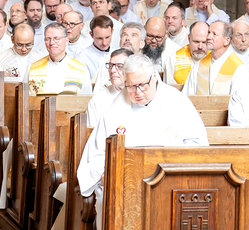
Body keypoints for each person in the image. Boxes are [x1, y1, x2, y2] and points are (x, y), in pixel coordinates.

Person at [77, 54, 208, 230]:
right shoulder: (115, 110)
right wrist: (105, 172)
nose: (138, 92)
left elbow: (199, 147)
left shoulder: (177, 102)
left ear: (154, 76)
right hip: (126, 184)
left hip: (170, 181)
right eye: (131, 86)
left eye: (142, 85)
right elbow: (98, 153)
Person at [183, 21, 249, 95]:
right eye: (208, 32)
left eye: (214, 34)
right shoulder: (199, 66)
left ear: (226, 41)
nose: (208, 37)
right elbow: (187, 96)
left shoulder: (239, 69)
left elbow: (239, 100)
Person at [26, 23, 93, 95]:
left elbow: (86, 98)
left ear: (67, 40)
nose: (51, 43)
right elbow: (25, 98)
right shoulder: (33, 69)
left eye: (56, 39)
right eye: (48, 39)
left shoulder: (81, 70)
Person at [77, 15, 115, 80]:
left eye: (107, 37)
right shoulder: (81, 58)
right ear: (91, 35)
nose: (104, 43)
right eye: (100, 38)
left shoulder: (118, 55)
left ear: (112, 32)